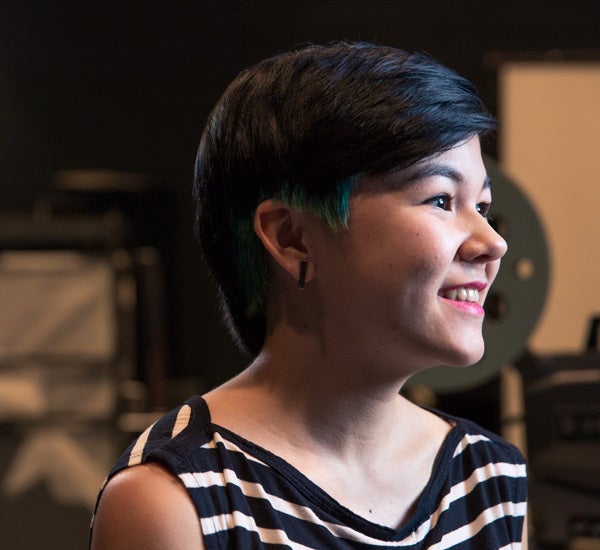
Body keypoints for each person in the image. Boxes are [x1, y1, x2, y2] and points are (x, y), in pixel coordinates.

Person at [90, 42, 527, 549]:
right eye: (440, 199)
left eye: (484, 205)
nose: (492, 243)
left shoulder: (488, 476)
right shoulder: (174, 500)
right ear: (292, 237)